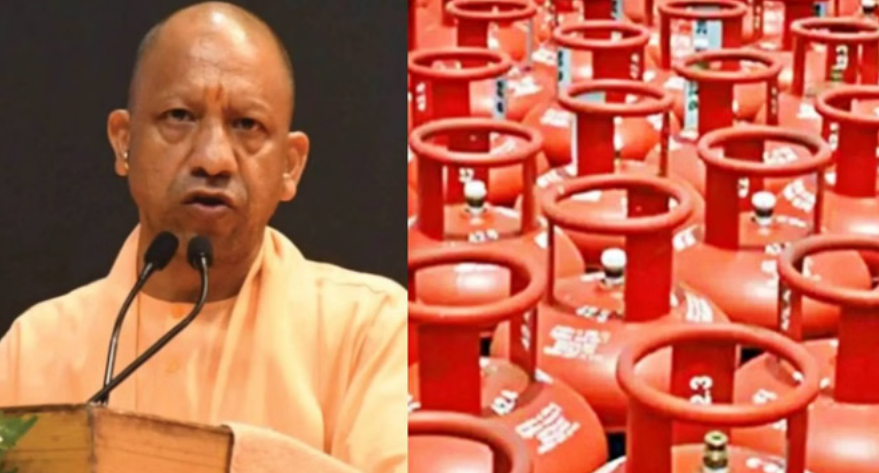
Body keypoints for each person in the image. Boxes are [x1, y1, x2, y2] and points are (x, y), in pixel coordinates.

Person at [0, 2, 407, 472]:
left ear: (290, 166)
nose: (213, 159)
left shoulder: (369, 329)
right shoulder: (33, 350)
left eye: (247, 125)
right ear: (123, 141)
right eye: (179, 116)